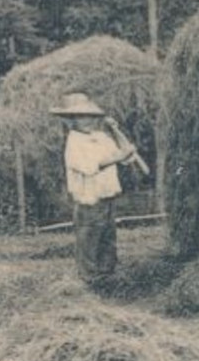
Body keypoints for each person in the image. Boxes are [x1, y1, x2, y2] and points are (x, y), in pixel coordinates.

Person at [51, 91, 137, 285]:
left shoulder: (101, 137)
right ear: (71, 120)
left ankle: (108, 275)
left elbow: (127, 154)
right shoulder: (74, 142)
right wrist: (119, 156)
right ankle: (90, 278)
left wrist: (116, 130)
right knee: (89, 237)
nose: (87, 120)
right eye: (81, 116)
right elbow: (90, 166)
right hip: (88, 198)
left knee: (108, 235)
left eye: (90, 115)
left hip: (107, 194)